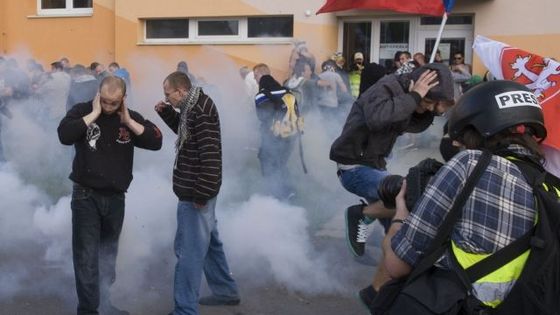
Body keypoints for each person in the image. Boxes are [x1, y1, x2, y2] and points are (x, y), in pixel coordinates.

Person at [379, 80, 548, 313]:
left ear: (478, 129)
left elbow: (397, 266)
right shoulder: (550, 187)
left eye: (462, 137)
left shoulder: (471, 164)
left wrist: (400, 214)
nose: (458, 145)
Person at [57, 76, 162, 315]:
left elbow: (156, 141)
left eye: (113, 103)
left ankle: (104, 303)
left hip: (116, 198)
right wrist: (93, 115)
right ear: (98, 95)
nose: (107, 107)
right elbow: (64, 135)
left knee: (107, 254)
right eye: (103, 101)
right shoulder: (83, 111)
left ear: (122, 99)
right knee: (86, 256)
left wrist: (128, 121)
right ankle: (88, 310)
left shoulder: (128, 116)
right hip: (86, 196)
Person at [330, 63, 454, 261]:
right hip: (354, 167)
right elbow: (377, 118)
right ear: (415, 85)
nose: (429, 106)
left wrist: (435, 108)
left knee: (397, 221)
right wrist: (415, 97)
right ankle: (360, 215)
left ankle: (383, 269)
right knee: (405, 195)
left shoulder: (406, 94)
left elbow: (413, 125)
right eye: (429, 101)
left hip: (374, 164)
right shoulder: (386, 88)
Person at [155, 71, 240, 315]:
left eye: (168, 94)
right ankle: (226, 291)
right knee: (210, 242)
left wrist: (201, 194)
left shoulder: (200, 110)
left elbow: (210, 156)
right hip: (197, 191)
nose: (167, 97)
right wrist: (166, 112)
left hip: (195, 194)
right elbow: (186, 135)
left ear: (181, 91)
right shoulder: (191, 106)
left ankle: (184, 310)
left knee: (188, 253)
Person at [253, 63, 297, 199]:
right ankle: (288, 192)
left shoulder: (261, 95)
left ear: (260, 75)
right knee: (281, 164)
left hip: (272, 136)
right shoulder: (286, 91)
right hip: (290, 135)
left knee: (269, 163)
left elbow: (262, 117)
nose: (255, 80)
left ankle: (277, 196)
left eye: (255, 76)